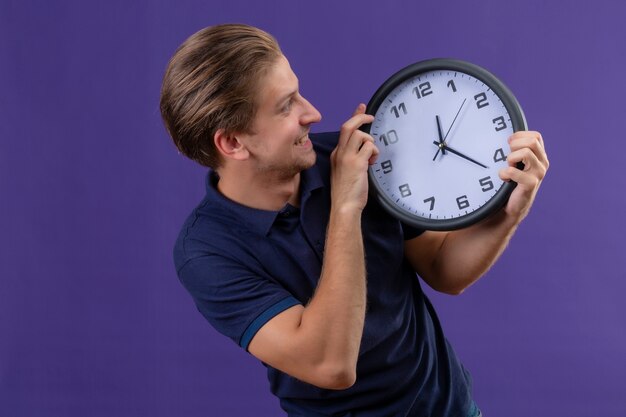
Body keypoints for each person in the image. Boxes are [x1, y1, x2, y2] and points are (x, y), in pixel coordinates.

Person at [159, 24, 548, 417]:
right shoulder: (206, 252)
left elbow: (443, 270)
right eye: (286, 105)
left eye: (299, 92)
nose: (312, 113)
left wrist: (511, 210)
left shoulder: (347, 157)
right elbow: (331, 366)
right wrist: (346, 205)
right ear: (232, 143)